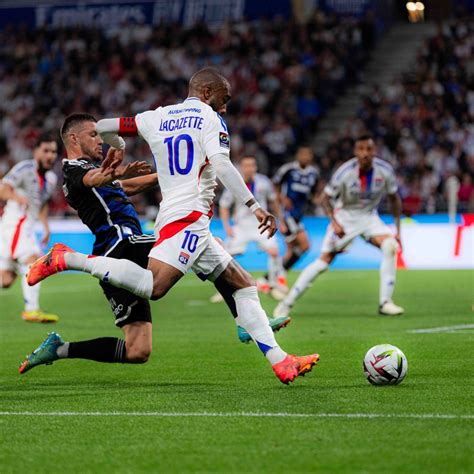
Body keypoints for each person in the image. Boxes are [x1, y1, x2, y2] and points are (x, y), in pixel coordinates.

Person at [27, 68, 319, 384]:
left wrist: (122, 151)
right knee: (156, 286)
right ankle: (69, 259)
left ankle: (279, 359)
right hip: (183, 219)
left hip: (180, 219)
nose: (226, 106)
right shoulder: (210, 119)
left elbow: (108, 127)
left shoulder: (156, 117)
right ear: (207, 92)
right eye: (224, 97)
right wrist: (254, 206)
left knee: (242, 284)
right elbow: (221, 164)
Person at [19, 113, 157, 373]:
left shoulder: (93, 171)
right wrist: (114, 173)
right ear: (73, 138)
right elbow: (95, 180)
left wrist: (169, 177)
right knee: (191, 242)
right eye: (93, 135)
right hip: (121, 243)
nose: (100, 141)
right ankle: (244, 310)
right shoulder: (74, 171)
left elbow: (122, 187)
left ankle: (59, 349)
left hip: (112, 258)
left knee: (138, 350)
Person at [274, 134, 404, 318]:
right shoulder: (344, 172)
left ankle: (385, 303)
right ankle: (286, 304)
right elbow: (324, 200)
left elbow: (394, 199)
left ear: (374, 151)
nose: (365, 153)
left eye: (369, 149)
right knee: (322, 263)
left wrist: (398, 230)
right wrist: (334, 222)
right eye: (361, 149)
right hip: (344, 217)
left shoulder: (385, 171)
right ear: (355, 151)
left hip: (369, 217)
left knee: (390, 246)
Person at [212, 155, 288, 302]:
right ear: (241, 167)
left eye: (252, 165)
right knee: (226, 256)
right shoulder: (235, 182)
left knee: (274, 251)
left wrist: (281, 221)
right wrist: (227, 226)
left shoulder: (263, 182)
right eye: (246, 166)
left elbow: (273, 202)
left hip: (262, 224)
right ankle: (226, 289)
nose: (249, 169)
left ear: (255, 167)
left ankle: (272, 286)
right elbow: (224, 206)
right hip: (241, 226)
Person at [0, 134, 59, 323]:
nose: (50, 155)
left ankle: (31, 309)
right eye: (46, 151)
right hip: (15, 221)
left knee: (6, 280)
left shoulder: (51, 178)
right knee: (33, 260)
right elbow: (3, 189)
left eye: (53, 152)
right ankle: (31, 310)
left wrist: (46, 225)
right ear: (36, 152)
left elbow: (41, 204)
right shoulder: (24, 169)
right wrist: (17, 198)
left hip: (27, 226)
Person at [269, 146, 319, 284]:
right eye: (301, 154)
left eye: (307, 154)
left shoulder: (314, 173)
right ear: (297, 155)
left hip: (299, 216)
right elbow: (274, 185)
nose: (304, 157)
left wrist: (319, 201)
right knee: (303, 245)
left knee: (293, 250)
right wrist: (281, 198)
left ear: (311, 157)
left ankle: (270, 279)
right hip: (288, 215)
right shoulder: (288, 169)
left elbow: (313, 195)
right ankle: (278, 278)